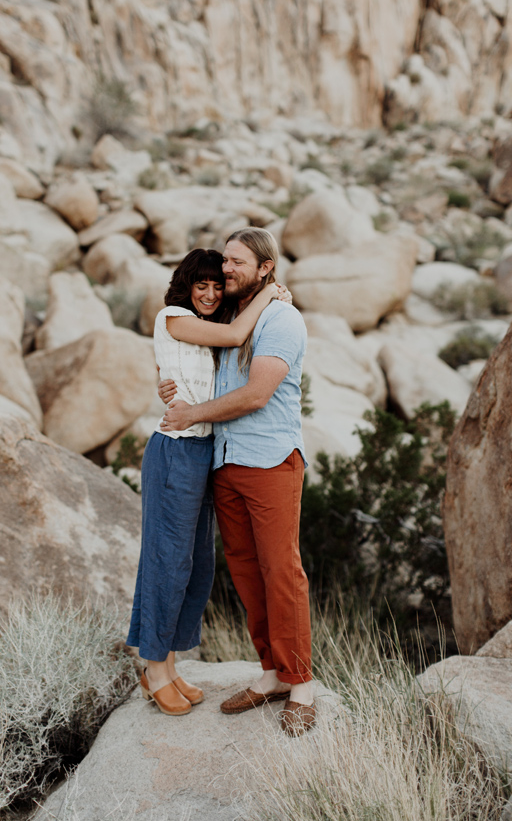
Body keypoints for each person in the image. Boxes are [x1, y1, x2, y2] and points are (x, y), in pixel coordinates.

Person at [160, 227, 315, 736]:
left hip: (269, 461)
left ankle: (301, 686)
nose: (226, 269)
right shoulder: (229, 318)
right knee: (247, 575)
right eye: (224, 261)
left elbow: (255, 395)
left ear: (264, 268)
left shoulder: (282, 320)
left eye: (237, 262)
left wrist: (191, 414)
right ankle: (270, 673)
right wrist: (169, 387)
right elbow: (192, 365)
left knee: (281, 573)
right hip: (225, 463)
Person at [129, 249, 285, 717]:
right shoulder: (174, 316)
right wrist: (272, 293)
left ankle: (171, 665)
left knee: (196, 565)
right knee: (167, 560)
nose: (212, 294)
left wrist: (166, 382)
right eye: (203, 285)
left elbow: (185, 373)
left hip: (203, 453)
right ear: (186, 285)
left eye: (219, 286)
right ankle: (153, 667)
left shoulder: (207, 327)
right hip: (174, 450)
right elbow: (238, 333)